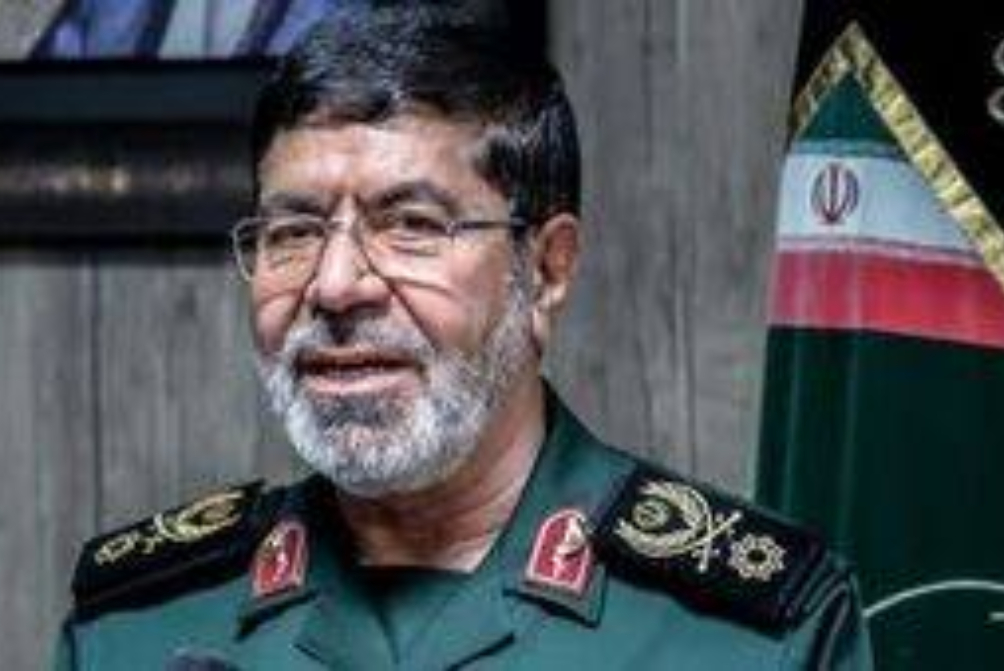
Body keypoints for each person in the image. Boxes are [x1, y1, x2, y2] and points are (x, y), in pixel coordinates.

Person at [53, 6, 873, 670]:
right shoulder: (138, 627)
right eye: (292, 232)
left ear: (545, 269)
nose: (335, 285)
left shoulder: (749, 632)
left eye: (411, 225)